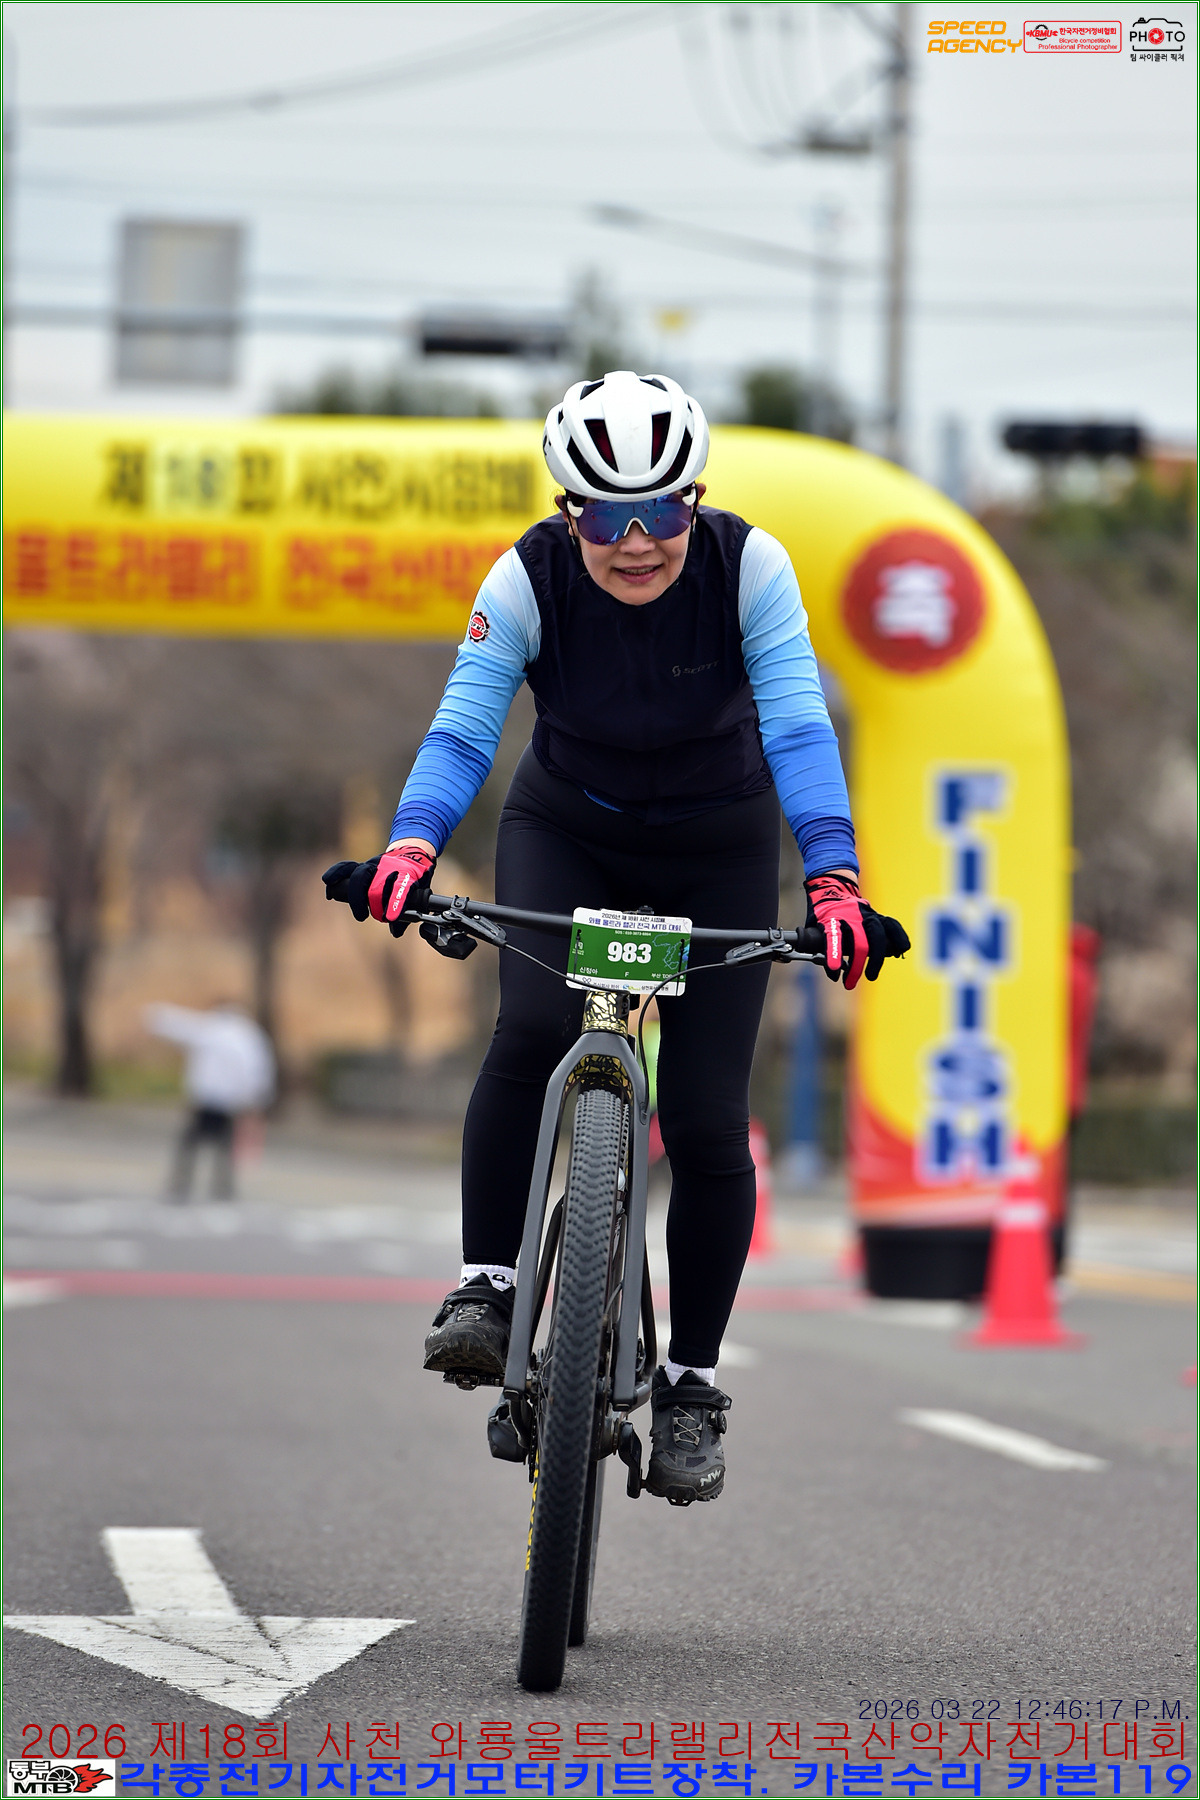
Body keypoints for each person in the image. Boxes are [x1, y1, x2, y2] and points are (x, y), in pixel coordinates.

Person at [324, 371, 908, 1504]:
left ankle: (691, 1386)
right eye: (604, 518)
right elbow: (464, 729)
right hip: (569, 828)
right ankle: (489, 1286)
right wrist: (411, 847)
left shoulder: (752, 568)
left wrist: (833, 880)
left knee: (705, 1116)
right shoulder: (525, 578)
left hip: (718, 843)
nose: (635, 542)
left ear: (696, 498)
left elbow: (798, 726)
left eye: (660, 512)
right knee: (529, 1029)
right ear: (567, 512)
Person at [145, 1001, 276, 1201]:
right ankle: (223, 1189)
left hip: (206, 1098)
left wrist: (153, 1018)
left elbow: (179, 1027)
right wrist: (255, 1099)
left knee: (191, 1144)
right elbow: (257, 1070)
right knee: (224, 1146)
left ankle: (181, 1185)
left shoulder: (211, 1030)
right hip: (229, 1101)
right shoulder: (248, 1036)